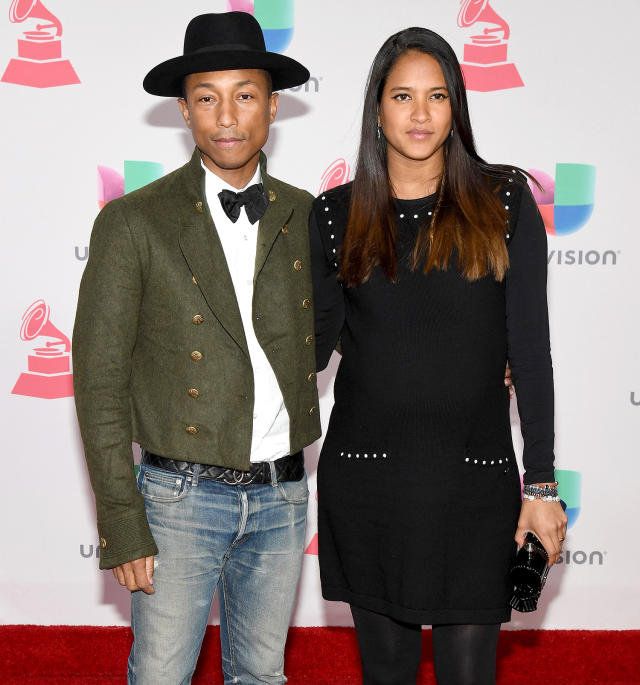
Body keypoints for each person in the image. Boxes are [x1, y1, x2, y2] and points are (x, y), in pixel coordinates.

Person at [310, 27, 568, 685]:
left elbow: (530, 352)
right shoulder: (336, 215)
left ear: (457, 107)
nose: (420, 114)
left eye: (437, 96)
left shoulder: (504, 199)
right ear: (377, 108)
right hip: (368, 480)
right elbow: (314, 344)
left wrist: (540, 482)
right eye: (402, 96)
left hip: (473, 482)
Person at [73, 12, 320, 685]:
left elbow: (350, 326)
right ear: (184, 110)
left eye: (245, 95)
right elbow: (97, 380)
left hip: (283, 494)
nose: (227, 116)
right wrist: (122, 520)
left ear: (272, 105)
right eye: (207, 98)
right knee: (159, 676)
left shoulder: (307, 215)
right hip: (178, 498)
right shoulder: (133, 221)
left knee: (263, 676)